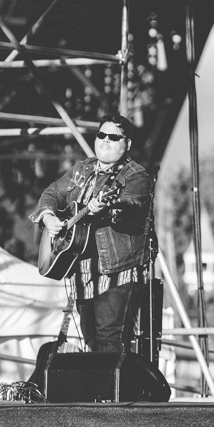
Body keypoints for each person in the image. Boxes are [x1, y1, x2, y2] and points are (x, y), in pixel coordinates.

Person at [30, 115, 151, 353]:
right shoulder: (82, 169)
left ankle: (114, 390)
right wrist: (49, 217)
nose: (105, 141)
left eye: (114, 137)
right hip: (82, 272)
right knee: (92, 342)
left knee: (110, 341)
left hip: (116, 272)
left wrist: (109, 207)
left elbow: (131, 205)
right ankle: (97, 390)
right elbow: (53, 192)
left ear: (127, 144)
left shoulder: (136, 176)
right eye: (101, 135)